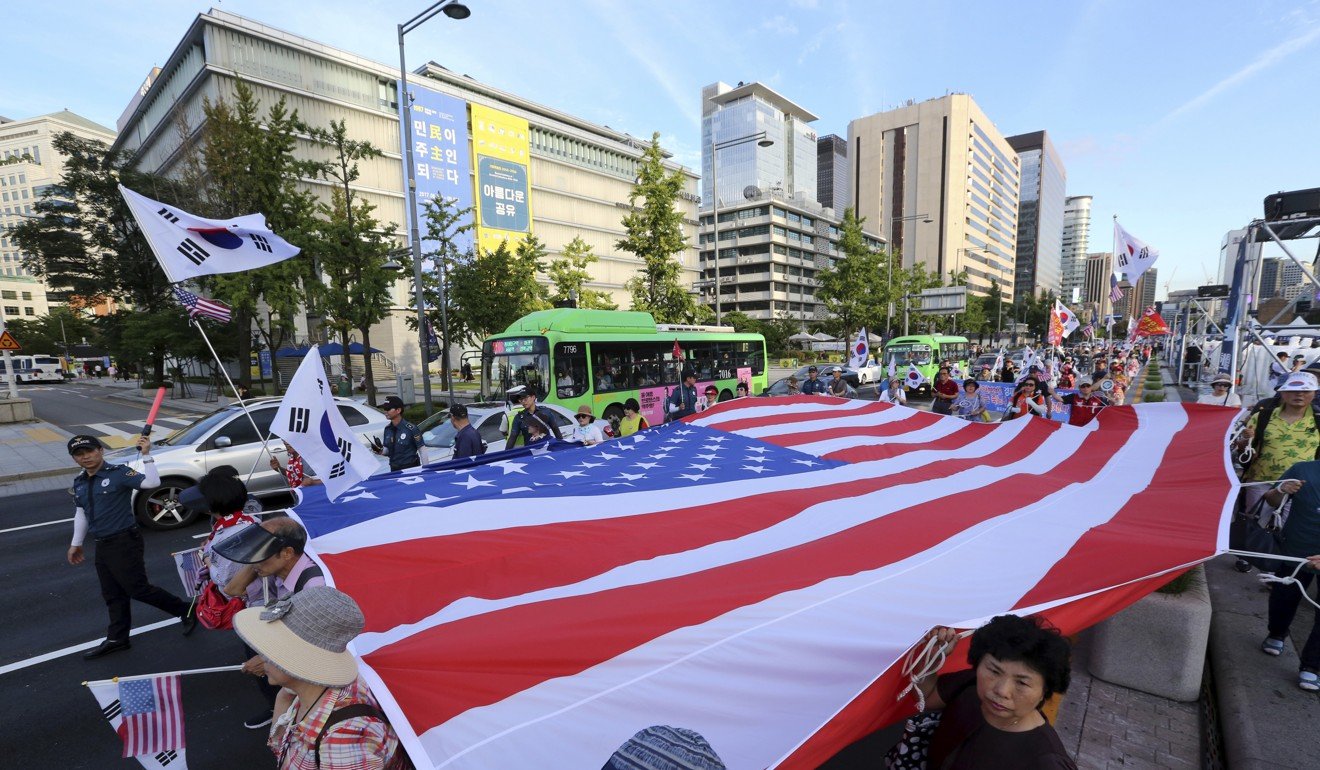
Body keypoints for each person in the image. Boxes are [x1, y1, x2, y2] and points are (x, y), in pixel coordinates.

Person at [233, 587, 409, 770]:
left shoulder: (343, 739)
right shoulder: (309, 690)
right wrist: (284, 694)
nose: (261, 657)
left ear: (301, 659)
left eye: (273, 647)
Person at [66, 434, 195, 660]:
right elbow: (81, 513)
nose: (85, 457)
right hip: (102, 544)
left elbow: (152, 483)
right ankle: (117, 639)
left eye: (89, 451)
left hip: (124, 541)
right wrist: (76, 543)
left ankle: (185, 610)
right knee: (112, 593)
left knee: (137, 588)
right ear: (74, 458)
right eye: (79, 454)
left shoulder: (119, 473)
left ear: (100, 451)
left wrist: (147, 455)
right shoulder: (80, 482)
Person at [914, 615, 1075, 769]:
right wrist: (933, 657)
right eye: (994, 671)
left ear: (1045, 690)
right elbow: (927, 697)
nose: (1002, 691)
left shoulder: (1046, 762)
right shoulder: (971, 683)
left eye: (1022, 682)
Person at [215, 517, 329, 730]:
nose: (252, 561)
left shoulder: (314, 587)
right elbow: (233, 590)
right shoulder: (276, 568)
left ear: (287, 553)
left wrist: (269, 660)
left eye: (260, 553)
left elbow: (317, 644)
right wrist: (259, 559)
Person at [1260, 473, 1320, 691]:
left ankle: (1312, 666)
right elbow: (1270, 498)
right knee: (1284, 597)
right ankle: (1276, 632)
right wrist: (1281, 490)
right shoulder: (1305, 470)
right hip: (1295, 551)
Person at [373, 396, 427, 472]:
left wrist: (426, 471)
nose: (385, 411)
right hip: (394, 469)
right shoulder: (387, 429)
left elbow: (422, 450)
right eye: (384, 409)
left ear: (398, 410)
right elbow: (388, 451)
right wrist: (380, 450)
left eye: (388, 409)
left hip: (411, 469)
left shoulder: (411, 429)